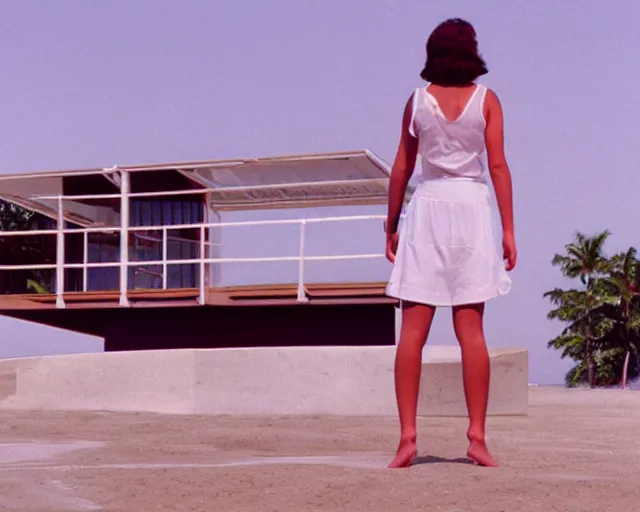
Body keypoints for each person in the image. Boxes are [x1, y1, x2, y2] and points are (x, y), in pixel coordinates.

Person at [384, 18, 517, 469]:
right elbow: (498, 166)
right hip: (472, 211)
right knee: (472, 333)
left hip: (428, 209)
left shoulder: (418, 101)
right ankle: (477, 438)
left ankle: (407, 439)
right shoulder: (487, 101)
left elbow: (402, 167)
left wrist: (391, 225)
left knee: (412, 334)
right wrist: (509, 230)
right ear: (472, 52)